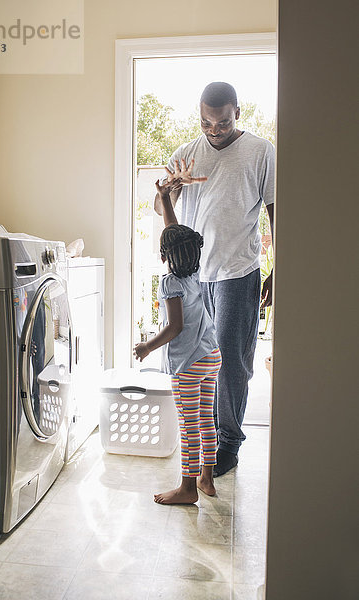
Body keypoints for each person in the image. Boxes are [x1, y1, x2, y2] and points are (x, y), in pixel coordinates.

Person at [154, 82, 275, 476]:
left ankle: (228, 443)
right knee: (198, 359)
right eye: (206, 122)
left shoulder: (260, 152)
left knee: (232, 362)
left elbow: (276, 210)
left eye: (222, 121)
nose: (214, 129)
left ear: (236, 112)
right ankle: (205, 442)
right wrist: (169, 188)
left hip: (238, 272)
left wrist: (280, 268)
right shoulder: (186, 154)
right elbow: (160, 204)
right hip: (192, 276)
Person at [133, 174, 222, 505]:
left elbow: (175, 327)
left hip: (187, 365)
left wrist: (147, 347)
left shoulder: (170, 283)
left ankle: (186, 488)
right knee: (206, 419)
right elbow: (177, 236)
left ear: (163, 256)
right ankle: (207, 479)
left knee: (188, 426)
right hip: (211, 357)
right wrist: (166, 201)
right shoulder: (196, 272)